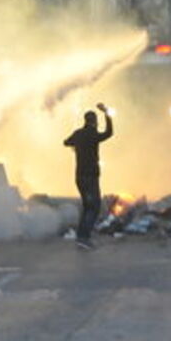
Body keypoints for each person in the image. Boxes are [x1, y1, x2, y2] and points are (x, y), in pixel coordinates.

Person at [63, 103, 114, 250]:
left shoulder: (78, 133)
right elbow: (109, 133)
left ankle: (81, 236)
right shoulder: (93, 134)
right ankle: (84, 238)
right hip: (91, 176)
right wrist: (107, 113)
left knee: (87, 207)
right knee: (94, 207)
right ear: (94, 122)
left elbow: (66, 142)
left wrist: (75, 146)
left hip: (79, 176)